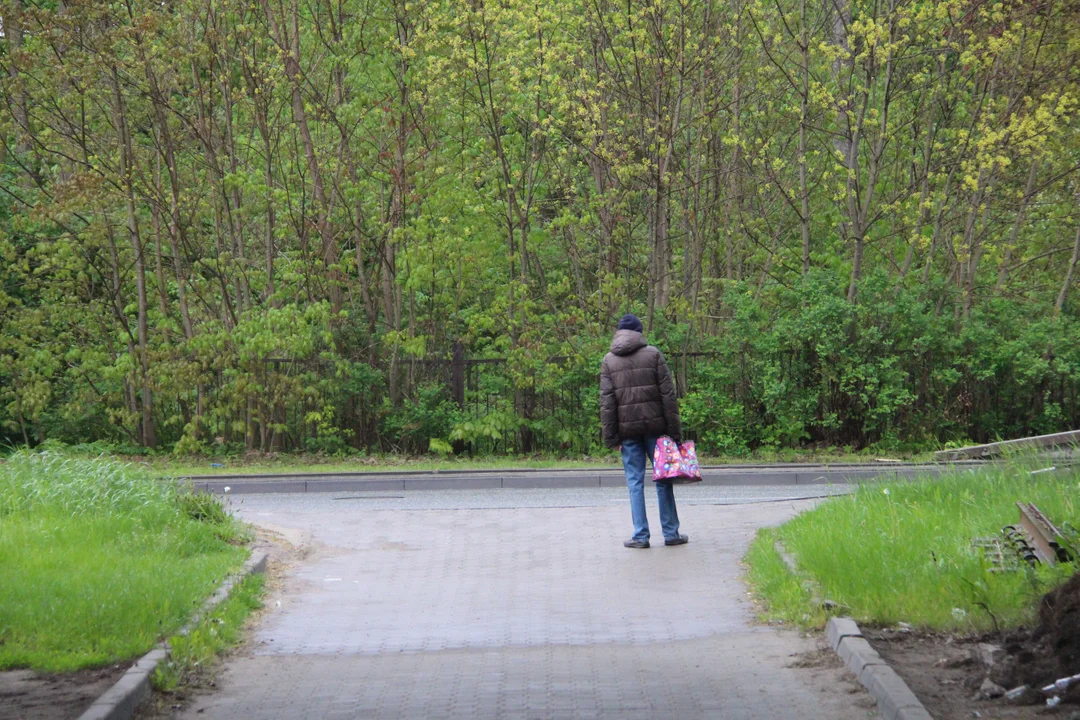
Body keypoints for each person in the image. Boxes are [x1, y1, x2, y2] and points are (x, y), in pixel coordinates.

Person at [599, 313, 688, 549]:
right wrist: (674, 433)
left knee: (634, 482)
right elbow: (667, 397)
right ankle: (671, 533)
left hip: (627, 432)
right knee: (663, 479)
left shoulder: (609, 360)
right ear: (638, 333)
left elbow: (607, 403)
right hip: (657, 430)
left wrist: (612, 438)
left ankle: (640, 536)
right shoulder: (654, 354)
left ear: (619, 333)